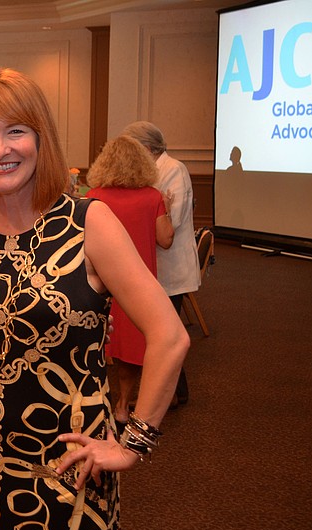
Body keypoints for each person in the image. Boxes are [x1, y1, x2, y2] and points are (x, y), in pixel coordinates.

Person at [0, 68, 188, 530]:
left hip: (67, 464)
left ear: (41, 138)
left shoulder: (87, 222)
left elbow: (170, 336)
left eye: (15, 131)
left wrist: (133, 443)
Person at [85, 135, 174, 428]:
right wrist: (168, 209)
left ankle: (95, 400)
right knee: (133, 344)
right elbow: (165, 240)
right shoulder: (153, 197)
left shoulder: (93, 196)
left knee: (95, 339)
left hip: (98, 282)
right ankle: (123, 405)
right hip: (138, 282)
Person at [122, 121, 200, 406]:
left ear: (146, 148)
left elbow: (172, 224)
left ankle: (171, 395)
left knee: (165, 335)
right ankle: (175, 393)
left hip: (171, 269)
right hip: (153, 266)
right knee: (163, 333)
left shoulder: (174, 169)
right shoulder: (150, 171)